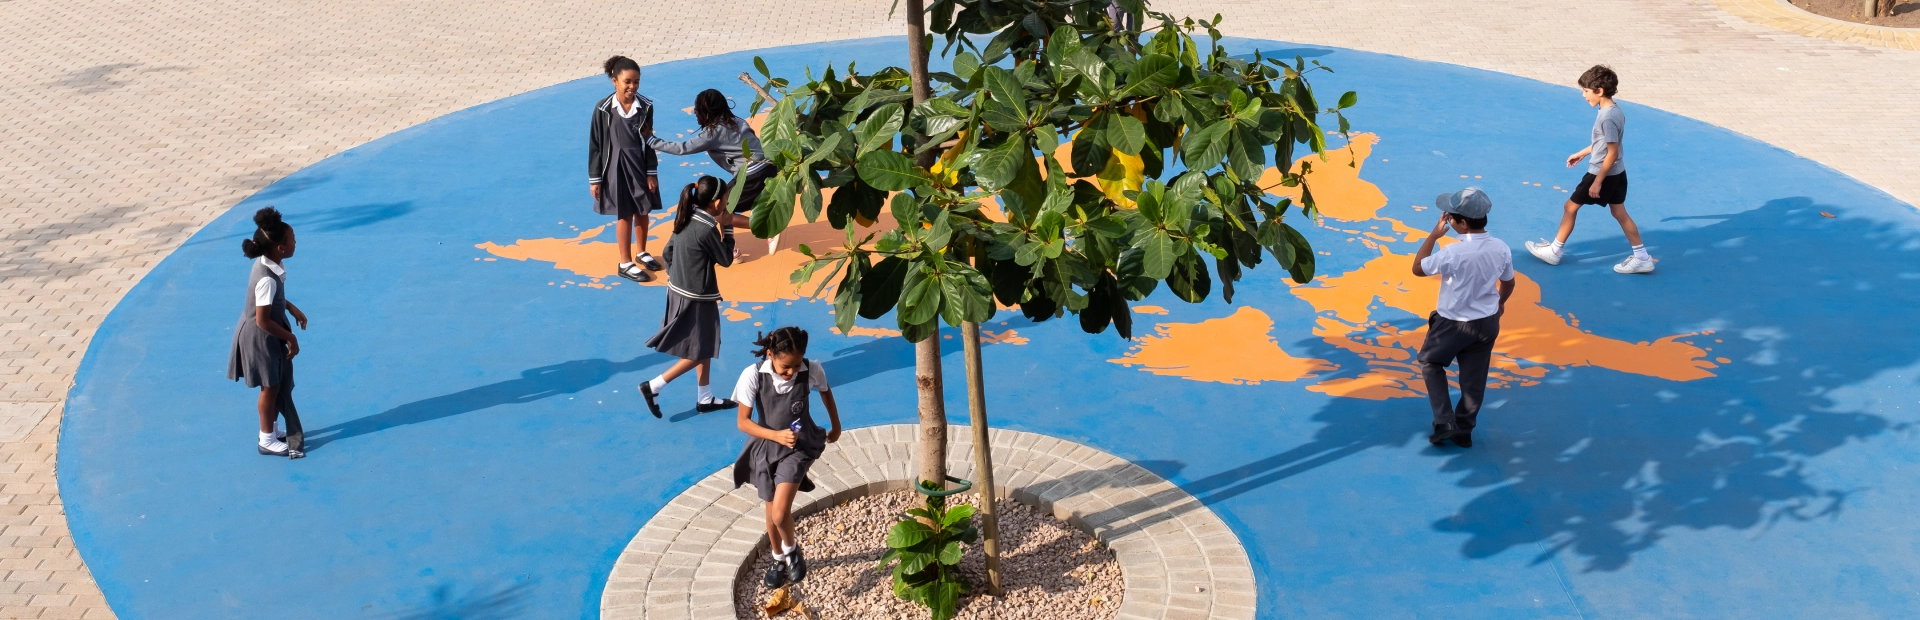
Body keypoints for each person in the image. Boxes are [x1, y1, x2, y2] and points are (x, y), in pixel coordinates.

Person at [730, 327, 842, 588]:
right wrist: (776, 436)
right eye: (785, 367)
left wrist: (836, 425)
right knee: (771, 511)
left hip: (798, 446)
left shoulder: (811, 369)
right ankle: (778, 558)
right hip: (766, 447)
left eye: (796, 365)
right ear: (770, 355)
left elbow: (825, 391)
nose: (791, 372)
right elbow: (743, 422)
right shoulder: (753, 375)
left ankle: (791, 551)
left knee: (780, 514)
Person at [1524, 65, 1655, 274]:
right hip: (1618, 172)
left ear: (1599, 90)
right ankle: (1642, 257)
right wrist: (1583, 153)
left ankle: (1554, 251)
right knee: (1619, 212)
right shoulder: (1614, 111)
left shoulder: (1607, 117)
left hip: (1602, 172)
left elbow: (1611, 152)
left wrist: (1597, 181)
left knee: (1570, 207)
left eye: (1586, 91)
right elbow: (1603, 143)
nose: (1583, 95)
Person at [1412, 188, 1515, 448]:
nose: (1448, 219)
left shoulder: (1453, 253)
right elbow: (1508, 282)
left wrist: (1434, 235)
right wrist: (1500, 303)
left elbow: (1418, 268)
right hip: (1487, 322)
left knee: (1429, 362)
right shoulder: (1501, 248)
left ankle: (1444, 422)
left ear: (1463, 223)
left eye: (1451, 217)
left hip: (1453, 324)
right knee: (1474, 378)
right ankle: (1464, 429)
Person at [638, 177, 739, 417]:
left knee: (701, 344)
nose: (727, 203)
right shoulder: (706, 229)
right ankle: (654, 386)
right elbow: (726, 259)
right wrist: (727, 228)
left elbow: (668, 252)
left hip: (678, 291)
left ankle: (705, 397)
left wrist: (678, 276)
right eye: (726, 198)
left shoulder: (687, 217)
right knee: (701, 349)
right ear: (716, 202)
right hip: (697, 298)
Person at [227, 207, 309, 459]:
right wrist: (291, 338)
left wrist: (290, 307)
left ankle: (272, 430)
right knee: (270, 387)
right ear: (281, 248)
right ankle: (266, 439)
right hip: (260, 337)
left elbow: (271, 301)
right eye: (292, 239)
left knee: (274, 383)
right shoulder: (267, 278)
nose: (295, 242)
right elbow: (262, 319)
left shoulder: (268, 263)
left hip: (265, 333)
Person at [645, 88, 772, 230]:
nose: (694, 112)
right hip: (769, 167)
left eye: (697, 109)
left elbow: (683, 148)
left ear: (707, 112)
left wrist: (650, 140)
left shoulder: (712, 133)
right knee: (722, 202)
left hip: (751, 176)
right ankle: (728, 241)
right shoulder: (737, 121)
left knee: (714, 209)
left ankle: (767, 227)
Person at [588, 55, 664, 283]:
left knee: (643, 209)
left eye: (636, 82)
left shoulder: (646, 106)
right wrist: (595, 178)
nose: (632, 86)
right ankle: (625, 262)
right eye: (627, 82)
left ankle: (642, 252)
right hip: (615, 166)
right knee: (625, 213)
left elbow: (649, 140)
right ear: (615, 81)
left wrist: (651, 172)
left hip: (638, 165)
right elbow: (595, 144)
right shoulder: (603, 109)